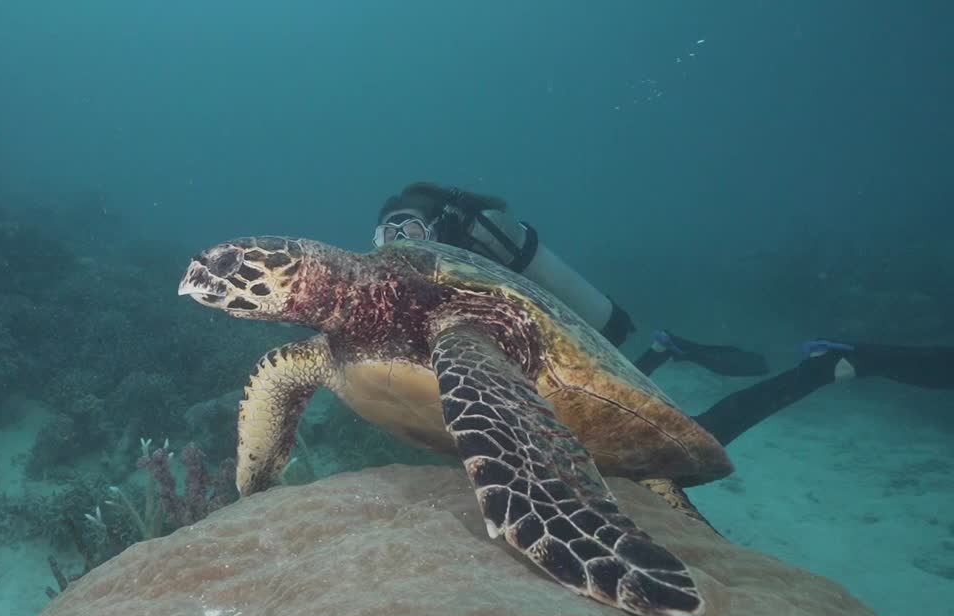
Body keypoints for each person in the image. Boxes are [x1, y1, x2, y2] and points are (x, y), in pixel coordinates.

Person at [371, 181, 953, 451]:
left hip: (568, 360)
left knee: (690, 445)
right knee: (619, 422)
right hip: (568, 366)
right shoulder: (426, 287)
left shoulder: (470, 273)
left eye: (409, 228)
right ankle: (663, 349)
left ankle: (825, 368)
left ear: (436, 230)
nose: (398, 242)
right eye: (386, 234)